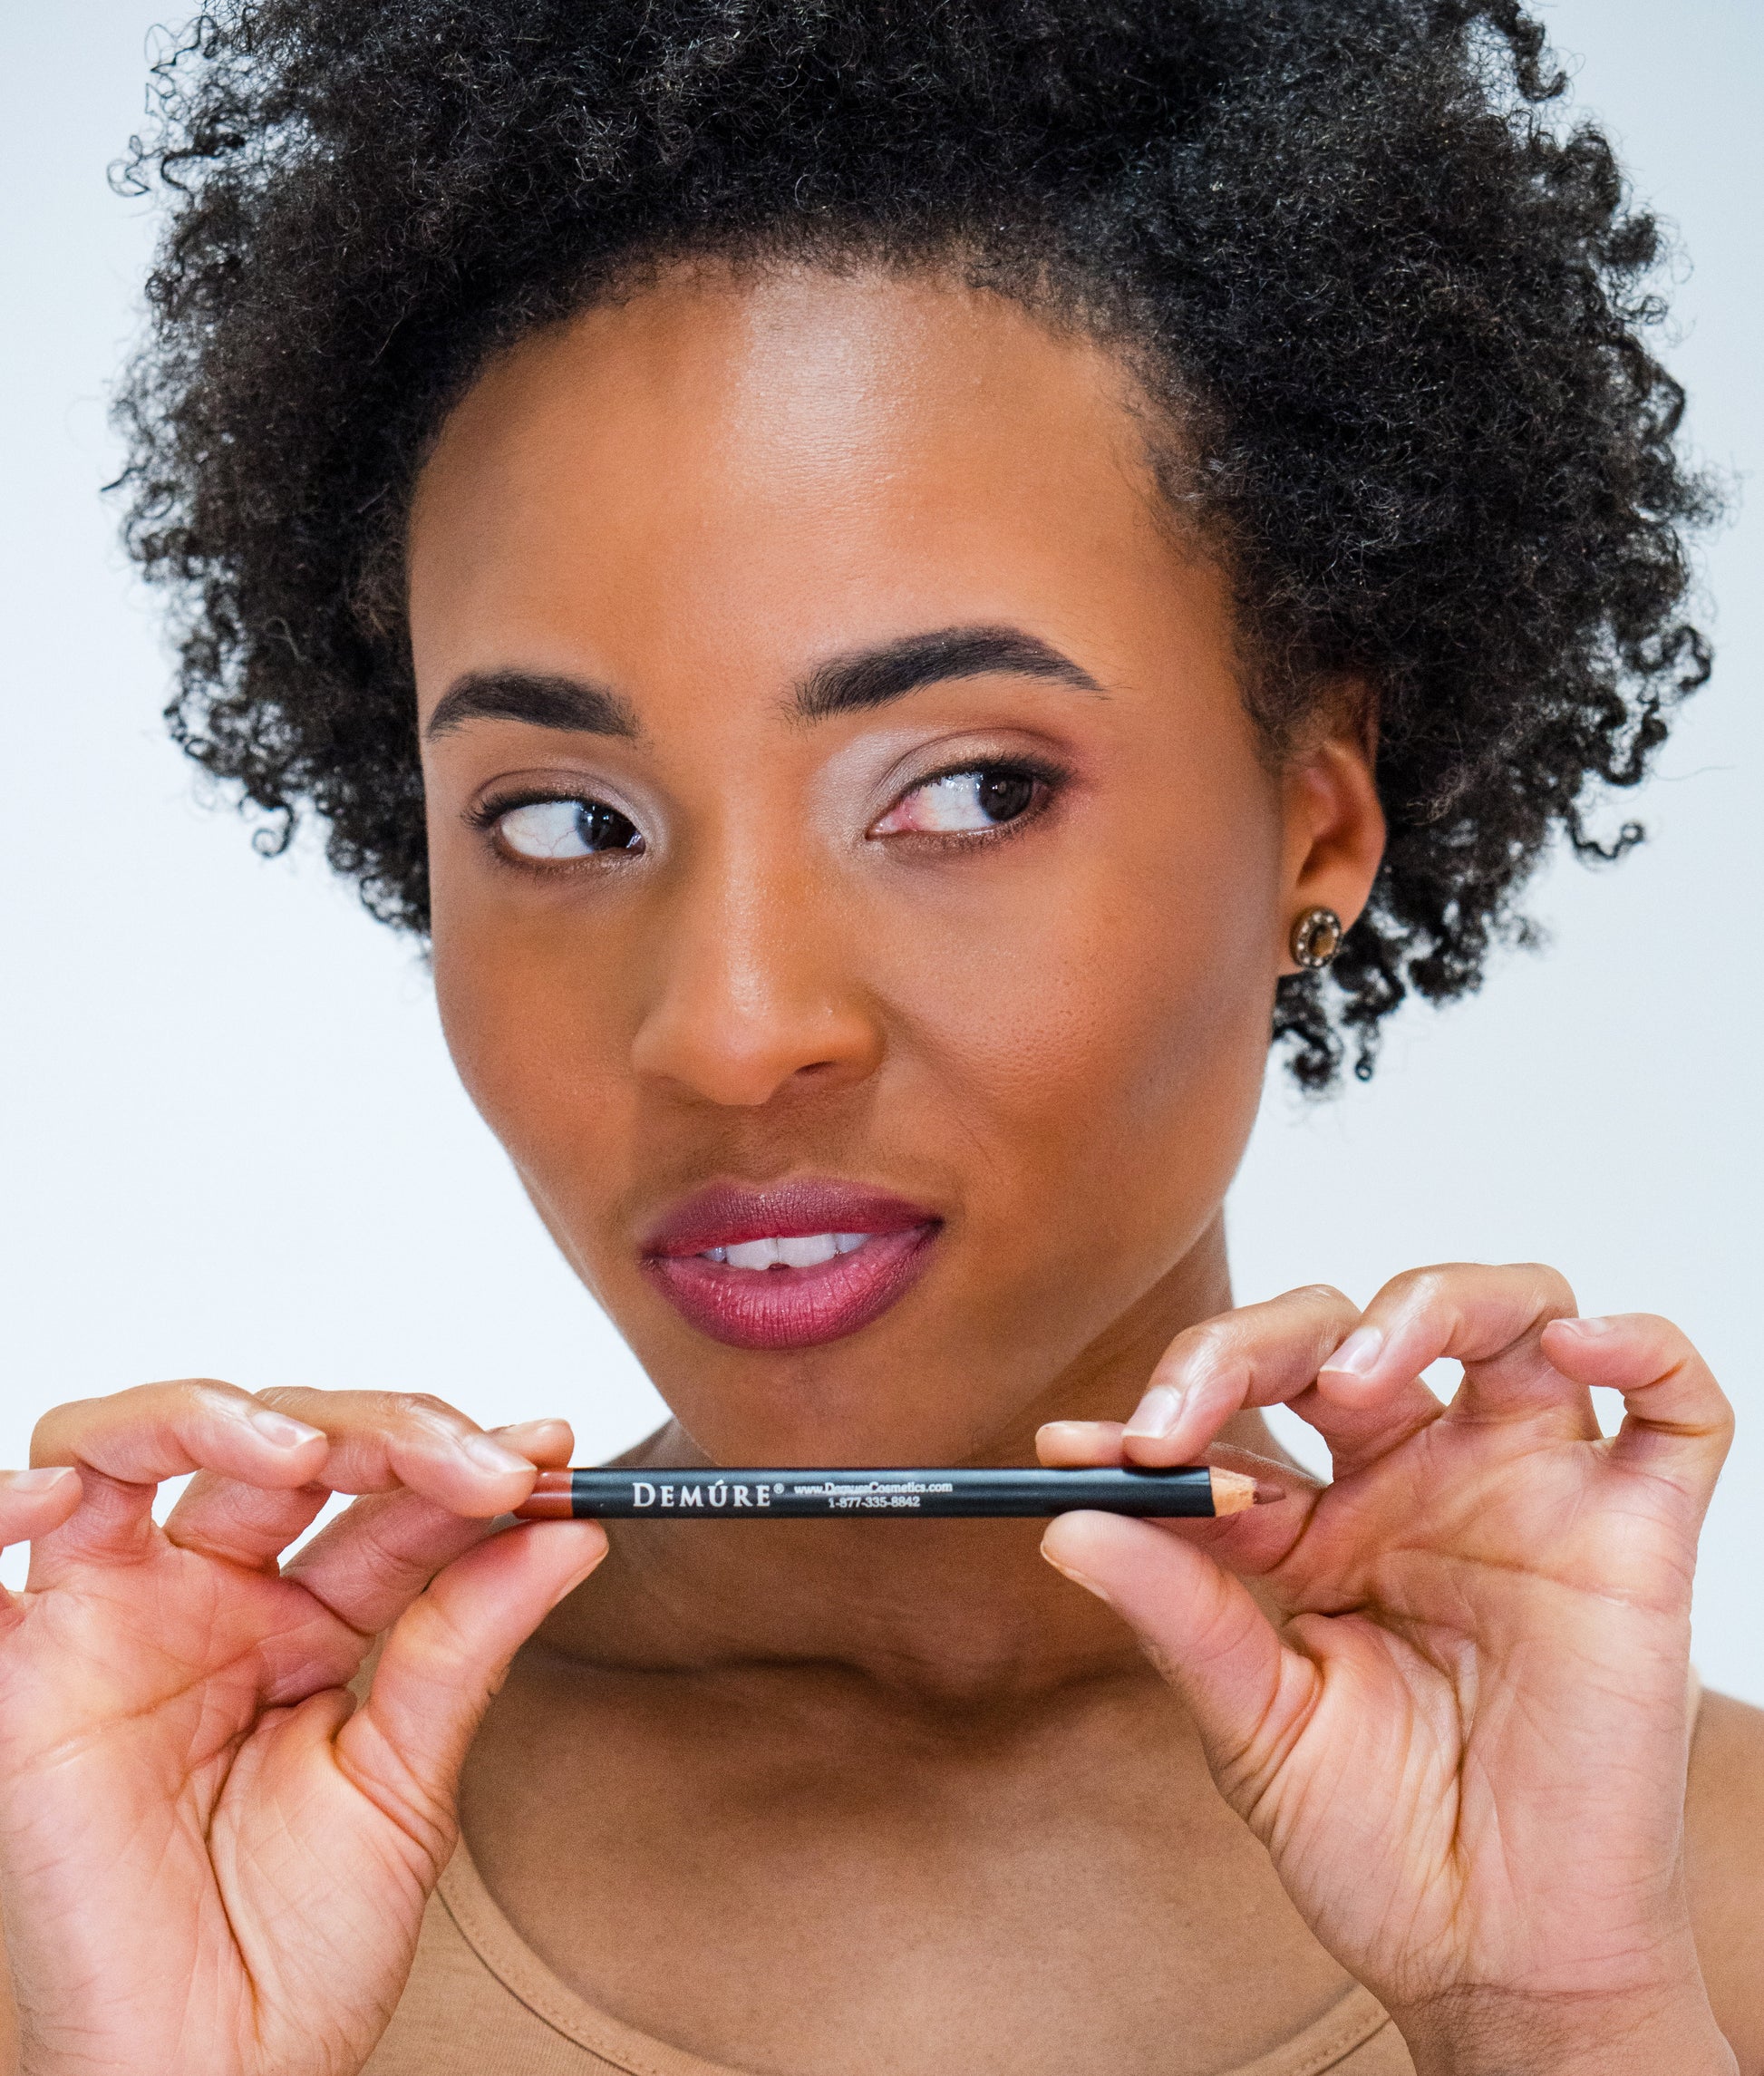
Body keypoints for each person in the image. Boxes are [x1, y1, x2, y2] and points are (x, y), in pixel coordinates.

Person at [3, 3, 1759, 2071]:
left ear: (1320, 810)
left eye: (969, 791)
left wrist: (1556, 2014)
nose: (734, 1028)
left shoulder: (1692, 1898)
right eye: (569, 819)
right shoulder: (103, 1868)